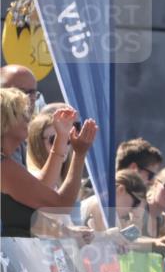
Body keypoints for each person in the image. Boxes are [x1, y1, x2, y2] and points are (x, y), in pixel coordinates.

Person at [1, 88, 97, 238]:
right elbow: (59, 205)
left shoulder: (5, 164)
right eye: (21, 112)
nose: (29, 115)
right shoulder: (3, 167)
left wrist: (63, 138)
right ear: (6, 120)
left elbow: (42, 190)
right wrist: (79, 154)